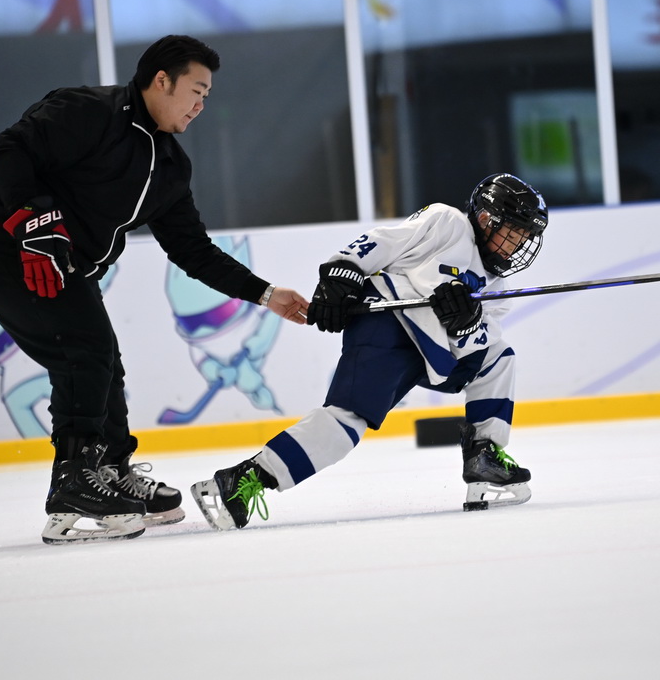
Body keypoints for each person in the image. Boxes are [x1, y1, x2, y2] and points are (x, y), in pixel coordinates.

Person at [0, 35, 309, 544]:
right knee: (85, 349)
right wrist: (32, 218)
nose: (201, 105)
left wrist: (265, 293)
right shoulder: (87, 110)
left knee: (103, 359)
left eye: (207, 96)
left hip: (67, 264)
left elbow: (193, 250)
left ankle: (112, 472)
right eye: (196, 90)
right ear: (161, 80)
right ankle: (74, 480)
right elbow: (11, 148)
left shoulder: (170, 169)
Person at [191, 173, 548, 530]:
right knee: (344, 425)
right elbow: (382, 242)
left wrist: (464, 323)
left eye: (523, 240)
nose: (515, 248)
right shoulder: (448, 223)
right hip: (389, 325)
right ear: (486, 219)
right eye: (513, 235)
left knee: (498, 358)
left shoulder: (497, 288)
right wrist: (342, 272)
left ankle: (483, 457)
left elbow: (476, 341)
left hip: (430, 353)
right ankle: (240, 480)